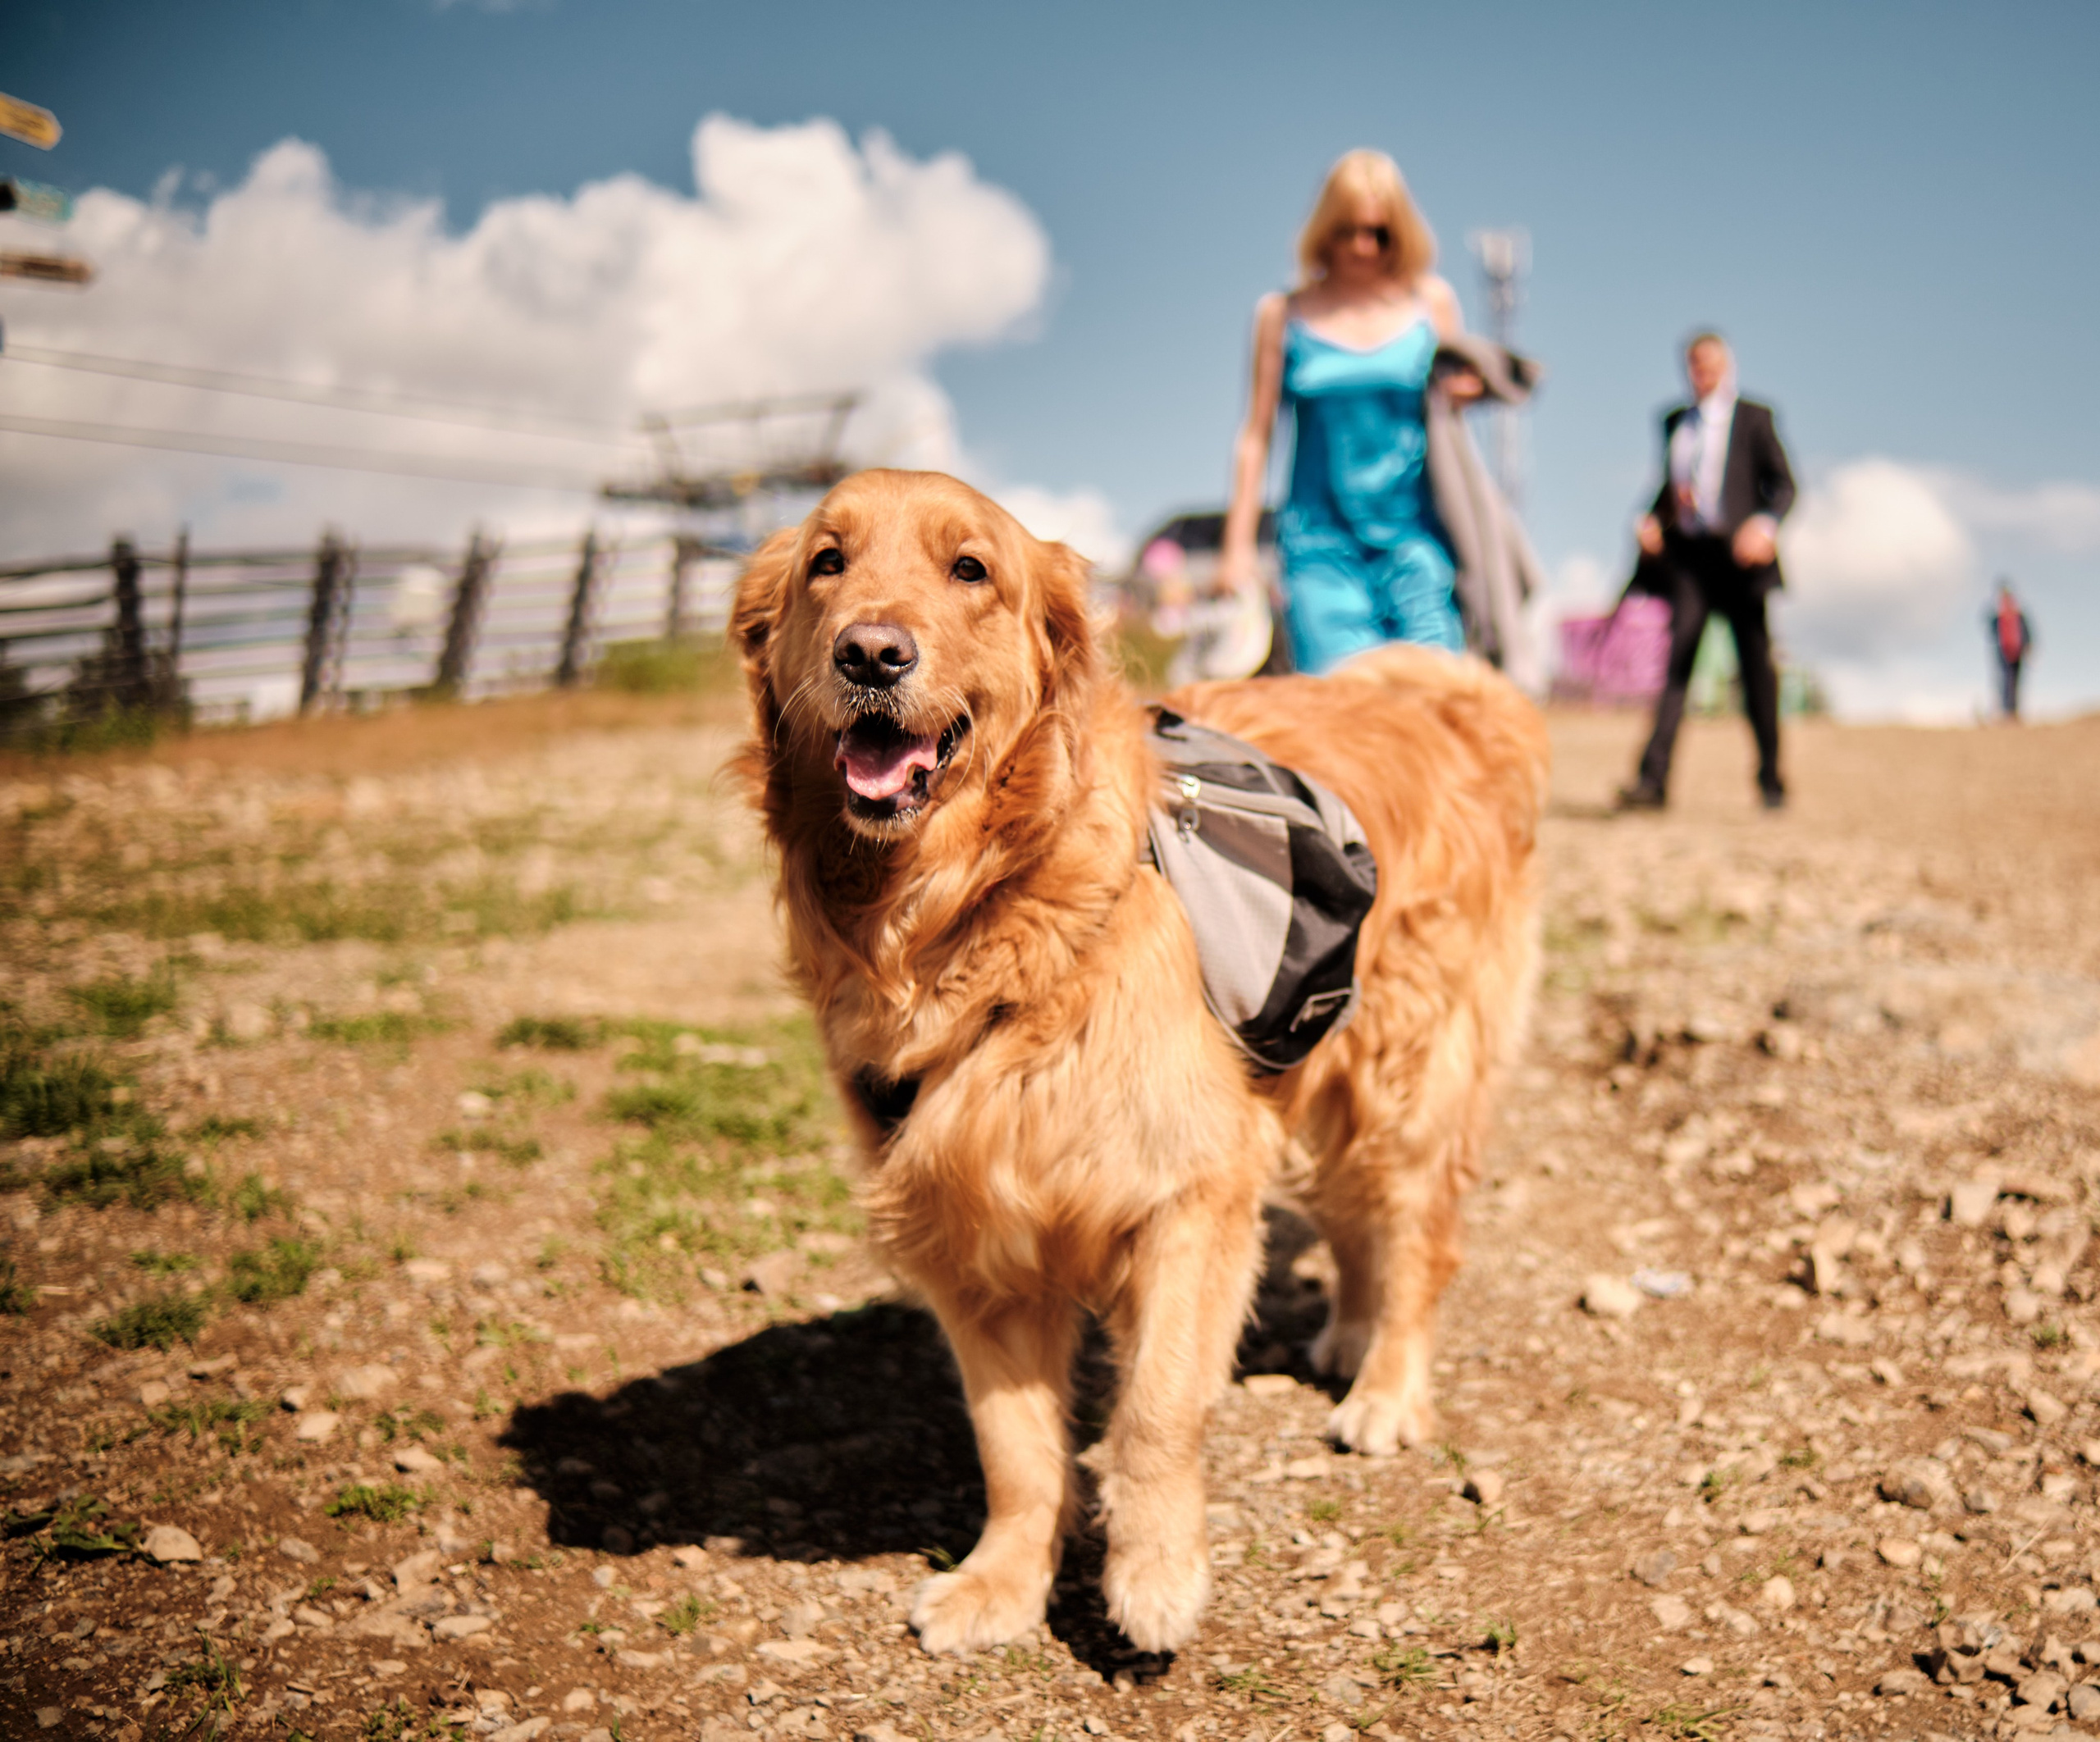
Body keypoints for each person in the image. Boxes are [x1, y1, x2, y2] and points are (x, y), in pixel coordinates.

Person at [1217, 149, 1477, 675]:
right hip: (1321, 547)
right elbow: (1255, 436)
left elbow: (1455, 426)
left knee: (1440, 703)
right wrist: (1237, 547)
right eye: (1348, 231)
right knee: (1343, 713)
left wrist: (1468, 390)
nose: (1363, 247)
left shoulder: (1433, 305)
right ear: (1324, 232)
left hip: (1416, 541)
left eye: (1379, 234)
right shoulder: (1282, 315)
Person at [1618, 332, 1796, 811]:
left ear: (1728, 364)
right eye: (1694, 363)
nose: (1703, 371)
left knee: (1757, 671)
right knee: (1676, 668)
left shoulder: (1756, 418)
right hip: (1692, 562)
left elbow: (1782, 485)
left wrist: (1763, 527)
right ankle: (1652, 783)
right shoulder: (1675, 422)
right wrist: (1652, 520)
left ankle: (1771, 781)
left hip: (1741, 563)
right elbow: (1669, 487)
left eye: (1711, 362)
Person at [1988, 580, 2032, 720]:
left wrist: (2028, 644)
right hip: (2006, 652)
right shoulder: (2003, 615)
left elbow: (2024, 631)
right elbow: (1992, 631)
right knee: (2008, 681)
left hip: (2012, 651)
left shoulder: (2013, 615)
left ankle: (2011, 711)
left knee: (2010, 681)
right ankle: (2008, 711)